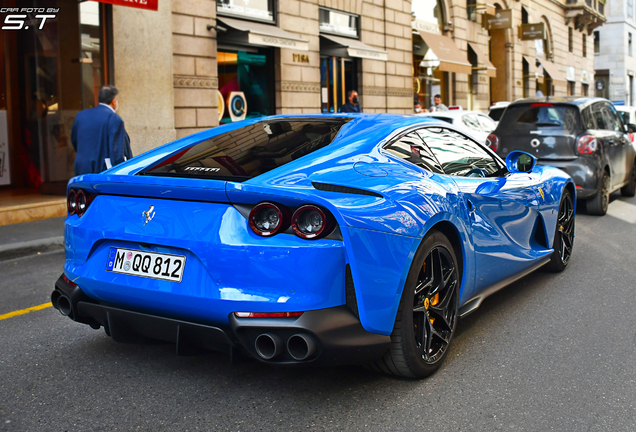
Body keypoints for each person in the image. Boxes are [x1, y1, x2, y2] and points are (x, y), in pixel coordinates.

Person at [71, 85, 132, 175]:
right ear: (114, 100)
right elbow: (117, 153)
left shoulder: (81, 116)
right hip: (102, 170)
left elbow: (74, 141)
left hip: (81, 167)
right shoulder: (114, 119)